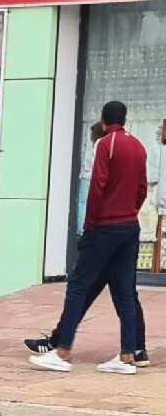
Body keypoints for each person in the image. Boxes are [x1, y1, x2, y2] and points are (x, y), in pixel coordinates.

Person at [29, 101, 147, 375]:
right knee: (125, 292)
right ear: (125, 119)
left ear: (104, 121)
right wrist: (131, 211)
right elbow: (142, 187)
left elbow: (97, 187)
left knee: (78, 287)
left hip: (105, 226)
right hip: (130, 226)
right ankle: (127, 356)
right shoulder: (138, 146)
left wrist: (91, 224)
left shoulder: (106, 144)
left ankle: (62, 352)